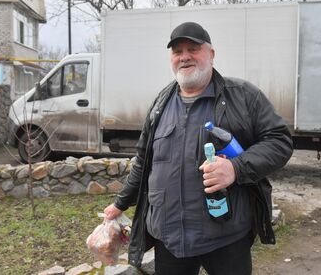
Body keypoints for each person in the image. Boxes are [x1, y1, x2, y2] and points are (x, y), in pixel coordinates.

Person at [102, 22, 293, 275]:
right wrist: (120, 203)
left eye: (193, 49)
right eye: (177, 51)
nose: (184, 57)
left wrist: (236, 168)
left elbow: (280, 141)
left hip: (226, 238)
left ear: (211, 55)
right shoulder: (160, 104)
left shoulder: (243, 96)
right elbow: (143, 161)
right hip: (169, 240)